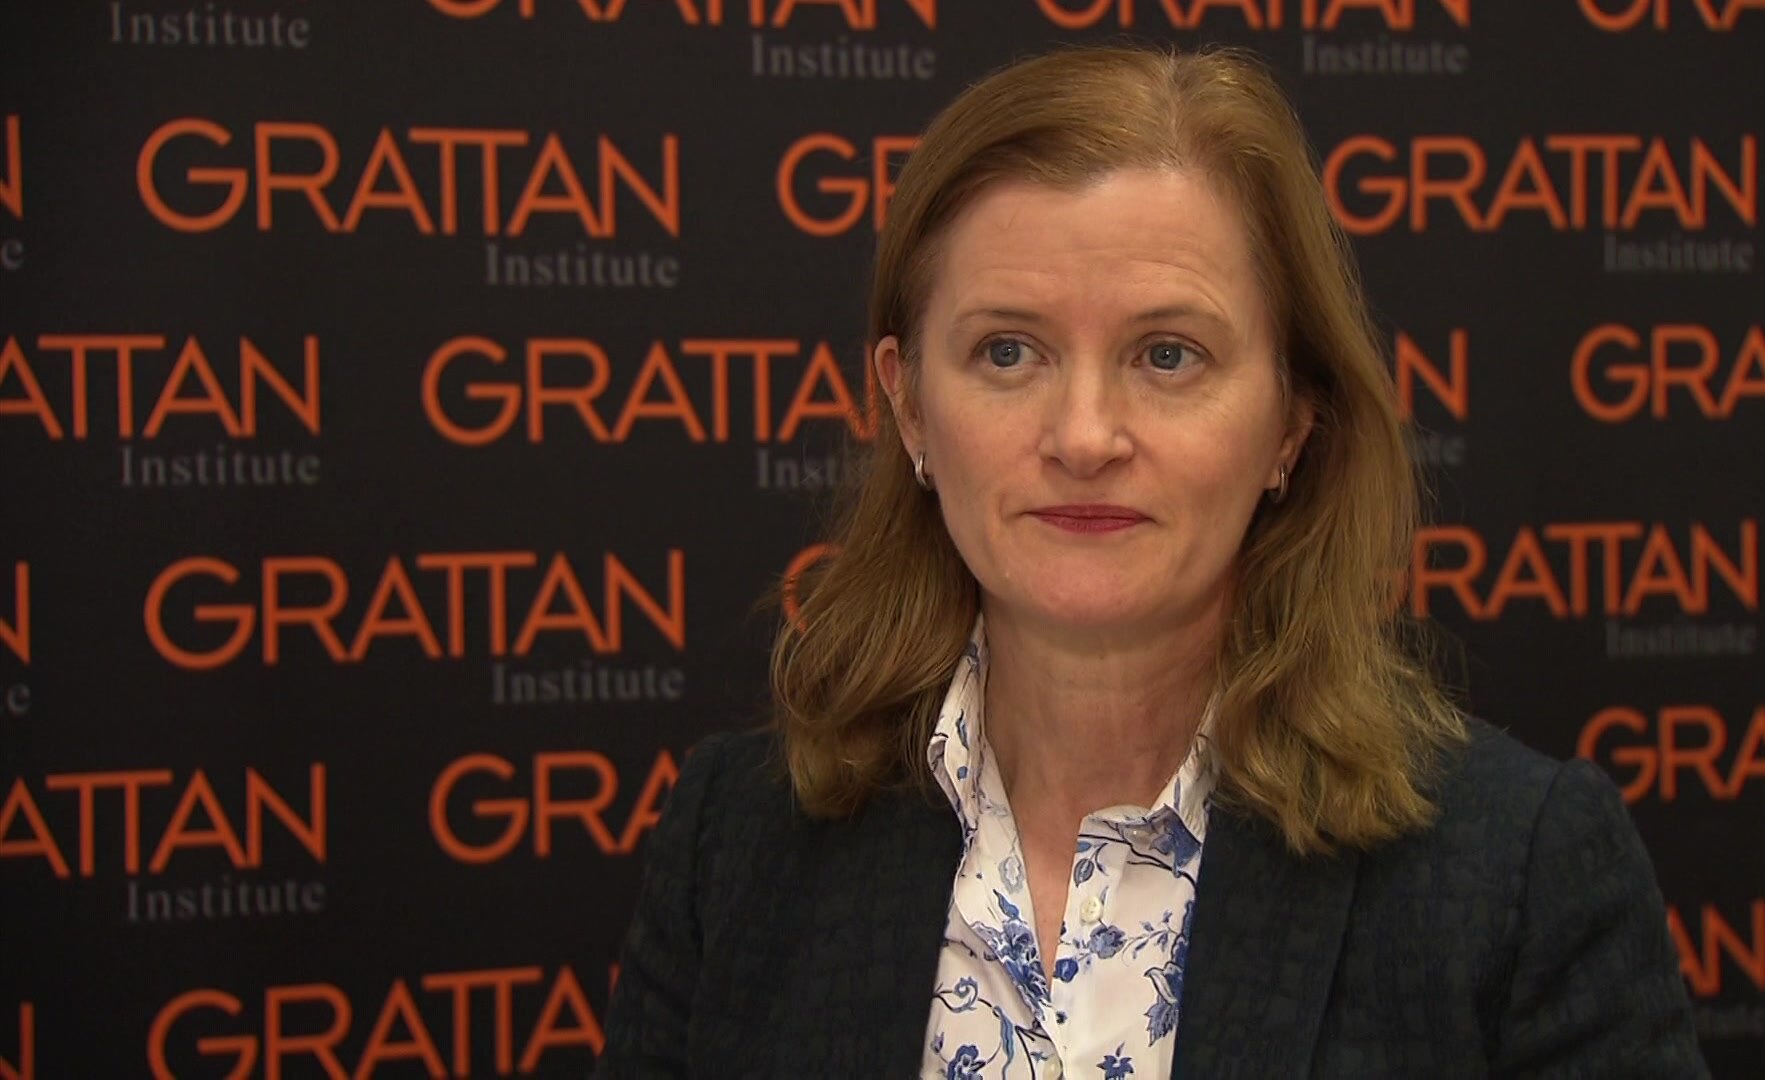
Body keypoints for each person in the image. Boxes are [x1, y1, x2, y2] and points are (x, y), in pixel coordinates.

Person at [592, 44, 1706, 1079]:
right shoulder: (735, 842)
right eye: (1007, 351)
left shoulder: (1519, 875)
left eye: (1168, 355)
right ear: (910, 406)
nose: (1084, 436)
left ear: (1290, 423)